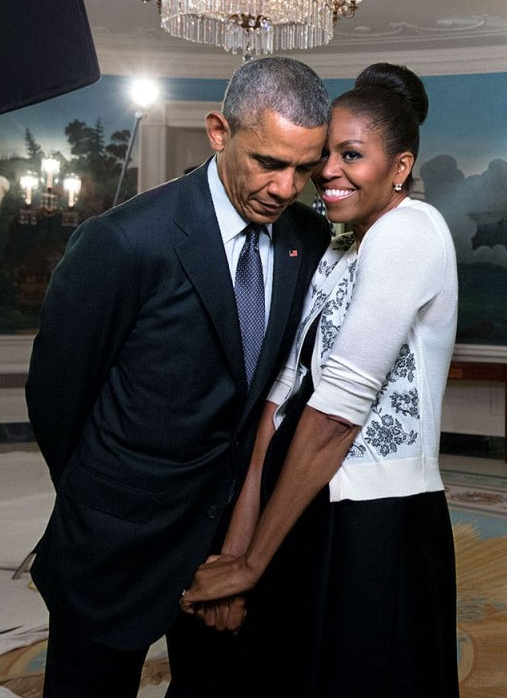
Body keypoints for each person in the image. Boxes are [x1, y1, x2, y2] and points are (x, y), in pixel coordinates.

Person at [25, 56, 332, 698]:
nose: (285, 187)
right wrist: (105, 500)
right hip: (113, 544)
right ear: (220, 132)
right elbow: (57, 397)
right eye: (268, 162)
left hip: (227, 546)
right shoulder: (124, 241)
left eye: (305, 169)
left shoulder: (306, 237)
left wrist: (241, 542)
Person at [181, 63, 460, 696]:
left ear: (400, 167)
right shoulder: (340, 246)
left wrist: (252, 562)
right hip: (303, 498)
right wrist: (240, 548)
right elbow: (278, 402)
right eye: (325, 155)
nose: (328, 171)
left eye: (352, 155)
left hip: (375, 518)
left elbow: (337, 413)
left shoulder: (411, 231)